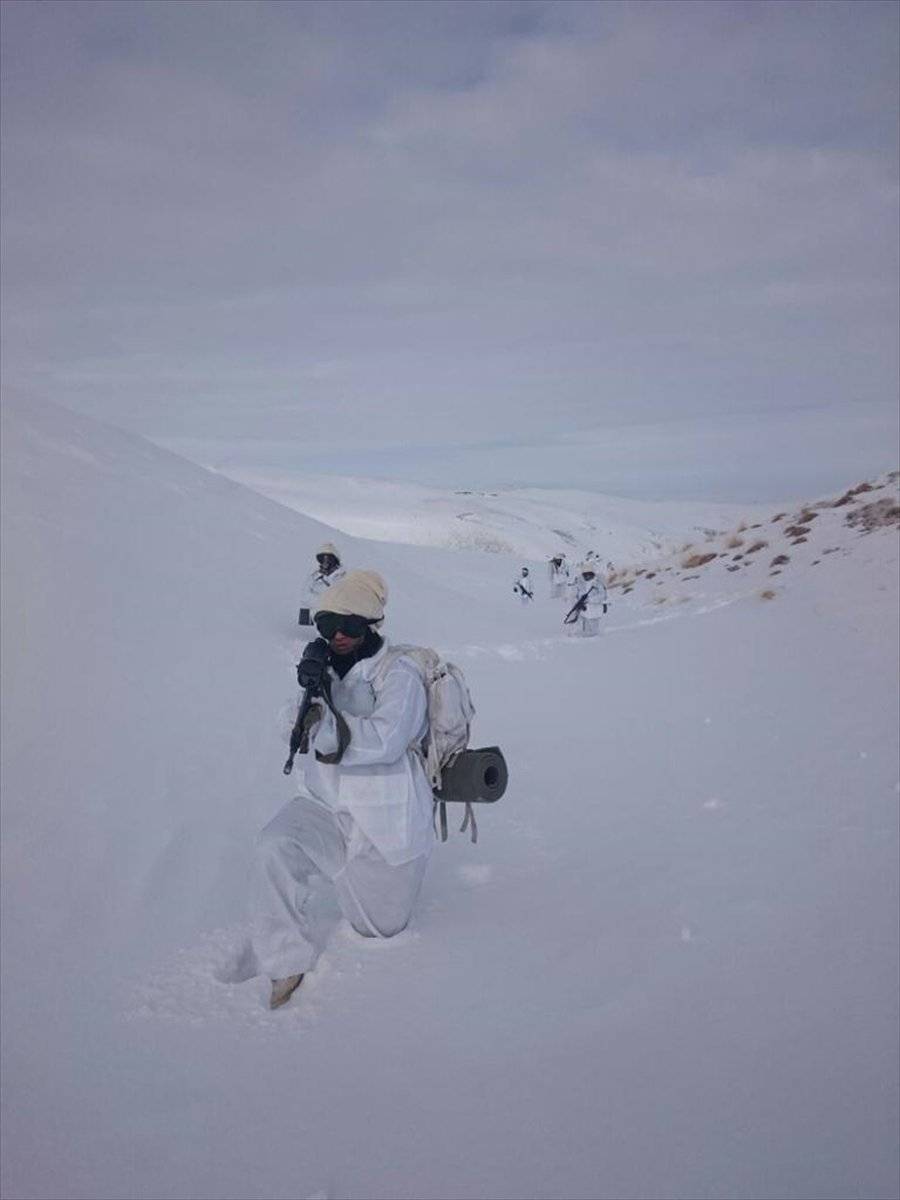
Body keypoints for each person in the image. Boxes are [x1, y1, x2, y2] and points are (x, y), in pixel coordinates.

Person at [252, 570, 434, 1009]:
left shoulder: (401, 673)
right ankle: (284, 964)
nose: (337, 635)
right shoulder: (327, 666)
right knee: (273, 846)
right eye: (327, 625)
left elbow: (387, 739)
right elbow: (288, 729)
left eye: (349, 626)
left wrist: (327, 724)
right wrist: (309, 693)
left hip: (384, 827)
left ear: (371, 626)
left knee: (378, 933)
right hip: (327, 806)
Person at [299, 543, 346, 626]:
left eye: (329, 558)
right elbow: (305, 595)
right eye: (323, 558)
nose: (326, 561)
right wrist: (321, 602)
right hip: (319, 612)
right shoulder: (314, 576)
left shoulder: (344, 576)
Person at [565, 563, 608, 638]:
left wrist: (590, 600)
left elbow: (602, 595)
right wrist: (578, 602)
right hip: (583, 610)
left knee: (593, 631)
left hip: (594, 610)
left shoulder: (597, 583)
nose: (587, 576)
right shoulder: (580, 583)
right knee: (581, 626)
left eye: (589, 574)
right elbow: (575, 595)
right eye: (585, 574)